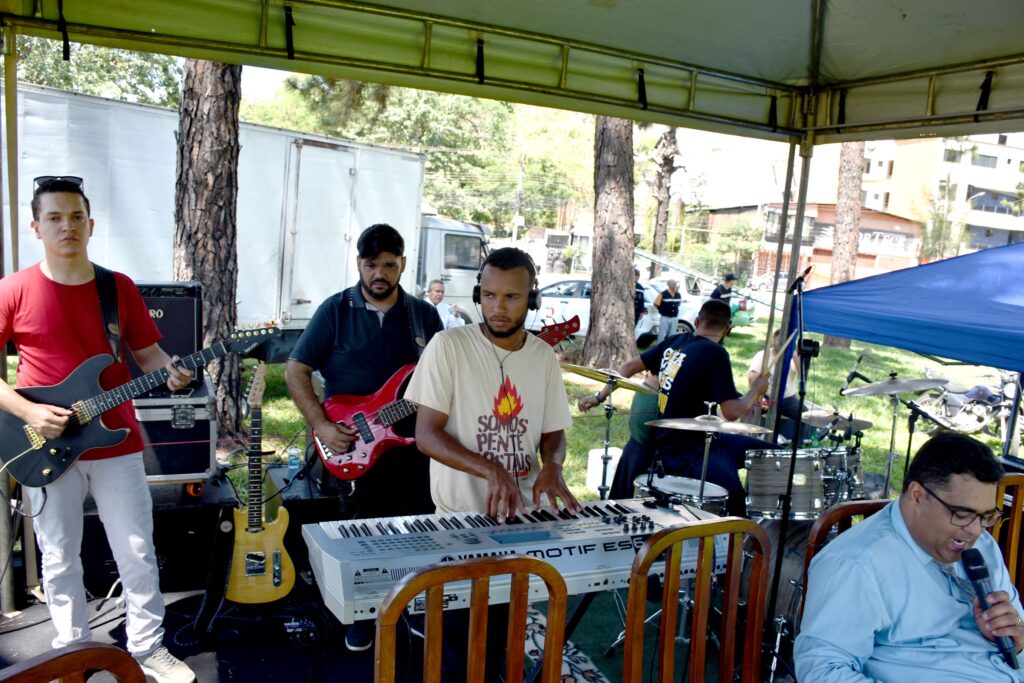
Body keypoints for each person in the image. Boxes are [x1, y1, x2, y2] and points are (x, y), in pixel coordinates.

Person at [0, 176, 195, 682]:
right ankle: (72, 653)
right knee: (59, 554)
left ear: (91, 224)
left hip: (117, 441)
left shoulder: (117, 287)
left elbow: (148, 355)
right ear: (36, 227)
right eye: (54, 218)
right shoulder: (12, 289)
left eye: (76, 217)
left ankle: (148, 648)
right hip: (44, 443)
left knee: (137, 550)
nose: (67, 226)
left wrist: (174, 372)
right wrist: (28, 413)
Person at [404, 247, 579, 678]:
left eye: (511, 297)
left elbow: (553, 431)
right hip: (458, 522)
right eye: (489, 295)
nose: (498, 307)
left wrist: (552, 465)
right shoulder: (448, 347)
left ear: (532, 298)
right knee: (455, 649)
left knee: (502, 639)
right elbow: (426, 434)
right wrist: (491, 469)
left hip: (521, 524)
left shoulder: (542, 357)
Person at [285, 222, 442, 652]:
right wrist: (321, 424)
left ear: (402, 264)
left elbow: (443, 375)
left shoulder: (423, 316)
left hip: (413, 445)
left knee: (416, 528)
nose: (379, 273)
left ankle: (411, 605)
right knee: (361, 534)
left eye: (388, 265)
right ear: (358, 263)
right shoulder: (335, 310)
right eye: (371, 264)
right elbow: (296, 370)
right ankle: (363, 614)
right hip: (353, 445)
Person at [796, 432, 1024, 682]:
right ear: (917, 496)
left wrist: (1016, 640)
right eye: (961, 514)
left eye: (986, 516)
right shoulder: (856, 564)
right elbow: (822, 671)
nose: (976, 530)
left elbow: (1018, 630)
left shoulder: (982, 544)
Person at [579, 299, 769, 515]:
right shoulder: (716, 353)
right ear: (726, 329)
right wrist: (756, 390)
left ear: (697, 321)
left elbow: (629, 366)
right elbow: (731, 412)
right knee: (733, 494)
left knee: (763, 452)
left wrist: (598, 397)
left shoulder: (675, 341)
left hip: (686, 437)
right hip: (685, 450)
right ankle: (745, 524)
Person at [747, 328, 803, 442]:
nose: (781, 343)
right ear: (773, 339)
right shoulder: (763, 355)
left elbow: (802, 373)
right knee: (748, 411)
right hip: (765, 396)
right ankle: (749, 439)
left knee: (805, 415)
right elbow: (752, 377)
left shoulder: (793, 357)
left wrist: (794, 354)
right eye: (779, 340)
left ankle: (798, 443)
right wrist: (758, 396)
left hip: (787, 399)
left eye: (785, 341)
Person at [653, 279, 680, 343]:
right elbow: (656, 304)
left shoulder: (678, 294)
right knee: (662, 335)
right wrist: (661, 310)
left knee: (672, 335)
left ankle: (669, 347)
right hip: (665, 317)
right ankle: (659, 347)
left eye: (675, 284)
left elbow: (678, 304)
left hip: (674, 317)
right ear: (668, 284)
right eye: (673, 283)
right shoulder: (663, 294)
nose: (674, 285)